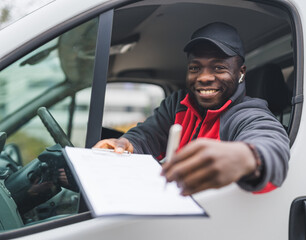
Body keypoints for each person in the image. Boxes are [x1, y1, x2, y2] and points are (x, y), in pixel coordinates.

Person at [94, 22, 290, 196]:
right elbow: (147, 136)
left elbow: (273, 149)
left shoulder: (248, 114)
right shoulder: (177, 104)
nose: (204, 77)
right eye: (195, 68)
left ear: (241, 72)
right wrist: (125, 144)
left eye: (219, 67)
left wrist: (245, 157)